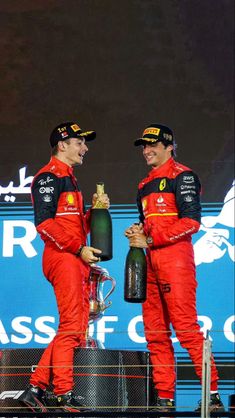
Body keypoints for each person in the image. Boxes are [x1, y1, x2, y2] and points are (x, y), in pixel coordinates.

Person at [125, 123, 224, 413]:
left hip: (175, 261)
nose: (147, 151)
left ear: (169, 146)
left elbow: (192, 222)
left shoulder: (184, 176)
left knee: (186, 329)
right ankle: (164, 398)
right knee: (154, 334)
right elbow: (146, 225)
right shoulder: (143, 185)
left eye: (153, 145)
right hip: (149, 264)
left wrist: (152, 237)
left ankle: (213, 395)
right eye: (144, 146)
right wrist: (136, 231)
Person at [19, 121, 109, 413]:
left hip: (74, 256)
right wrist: (77, 248)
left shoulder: (70, 179)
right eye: (79, 142)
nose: (85, 148)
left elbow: (75, 226)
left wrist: (95, 211)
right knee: (71, 327)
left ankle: (35, 387)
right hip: (62, 257)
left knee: (75, 327)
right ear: (62, 145)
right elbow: (44, 224)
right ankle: (63, 392)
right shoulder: (48, 177)